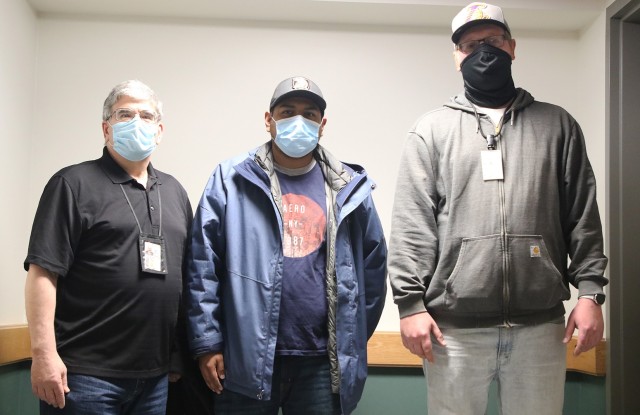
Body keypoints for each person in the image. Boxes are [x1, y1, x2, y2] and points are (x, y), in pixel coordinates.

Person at [387, 3, 608, 414]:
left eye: (492, 41)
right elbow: (412, 224)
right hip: (452, 329)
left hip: (540, 328)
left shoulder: (558, 126)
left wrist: (591, 294)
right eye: (470, 45)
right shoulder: (430, 131)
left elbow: (583, 216)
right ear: (457, 58)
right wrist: (410, 305)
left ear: (512, 46)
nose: (482, 52)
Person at [185, 76, 387, 415]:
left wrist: (350, 339)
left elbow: (373, 269)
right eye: (287, 111)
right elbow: (203, 265)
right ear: (269, 120)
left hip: (322, 364)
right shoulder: (230, 178)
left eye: (309, 114)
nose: (298, 121)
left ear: (322, 125)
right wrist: (207, 343)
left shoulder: (349, 188)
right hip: (245, 360)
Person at [24, 80, 193, 414]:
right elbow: (43, 273)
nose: (136, 122)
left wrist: (177, 355)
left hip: (155, 378)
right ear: (106, 128)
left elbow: (185, 281)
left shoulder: (175, 192)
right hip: (84, 377)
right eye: (124, 114)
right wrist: (43, 354)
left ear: (159, 131)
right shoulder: (71, 184)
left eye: (146, 116)